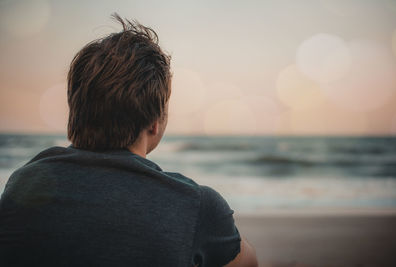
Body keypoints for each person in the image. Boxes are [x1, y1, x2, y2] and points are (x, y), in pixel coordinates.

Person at [0, 13, 258, 267]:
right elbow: (249, 263)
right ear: (155, 122)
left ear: (75, 111)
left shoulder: (22, 186)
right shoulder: (196, 206)